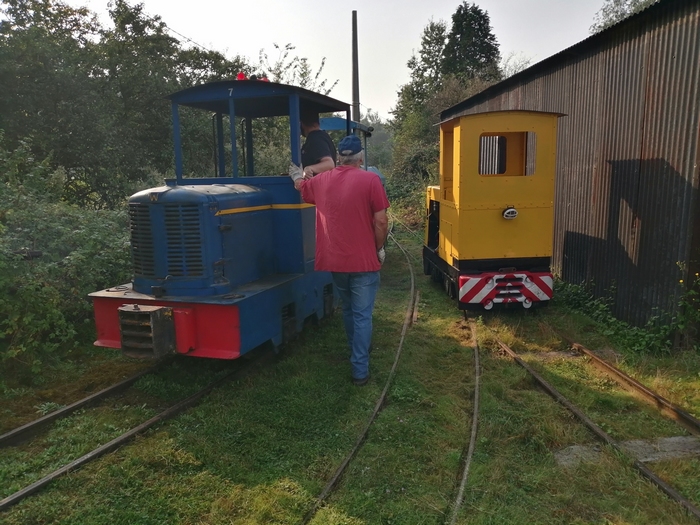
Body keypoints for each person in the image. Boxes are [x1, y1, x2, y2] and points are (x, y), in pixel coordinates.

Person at [289, 134, 389, 386]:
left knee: (348, 309)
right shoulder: (371, 180)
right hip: (364, 262)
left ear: (337, 159)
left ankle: (356, 353)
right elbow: (380, 221)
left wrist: (297, 176)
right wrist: (378, 248)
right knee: (362, 314)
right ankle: (359, 369)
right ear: (361, 159)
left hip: (335, 260)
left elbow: (302, 188)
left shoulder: (321, 181)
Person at [300, 109, 337, 178]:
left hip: (320, 186)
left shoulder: (316, 138)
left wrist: (309, 169)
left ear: (302, 124)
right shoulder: (322, 136)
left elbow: (329, 164)